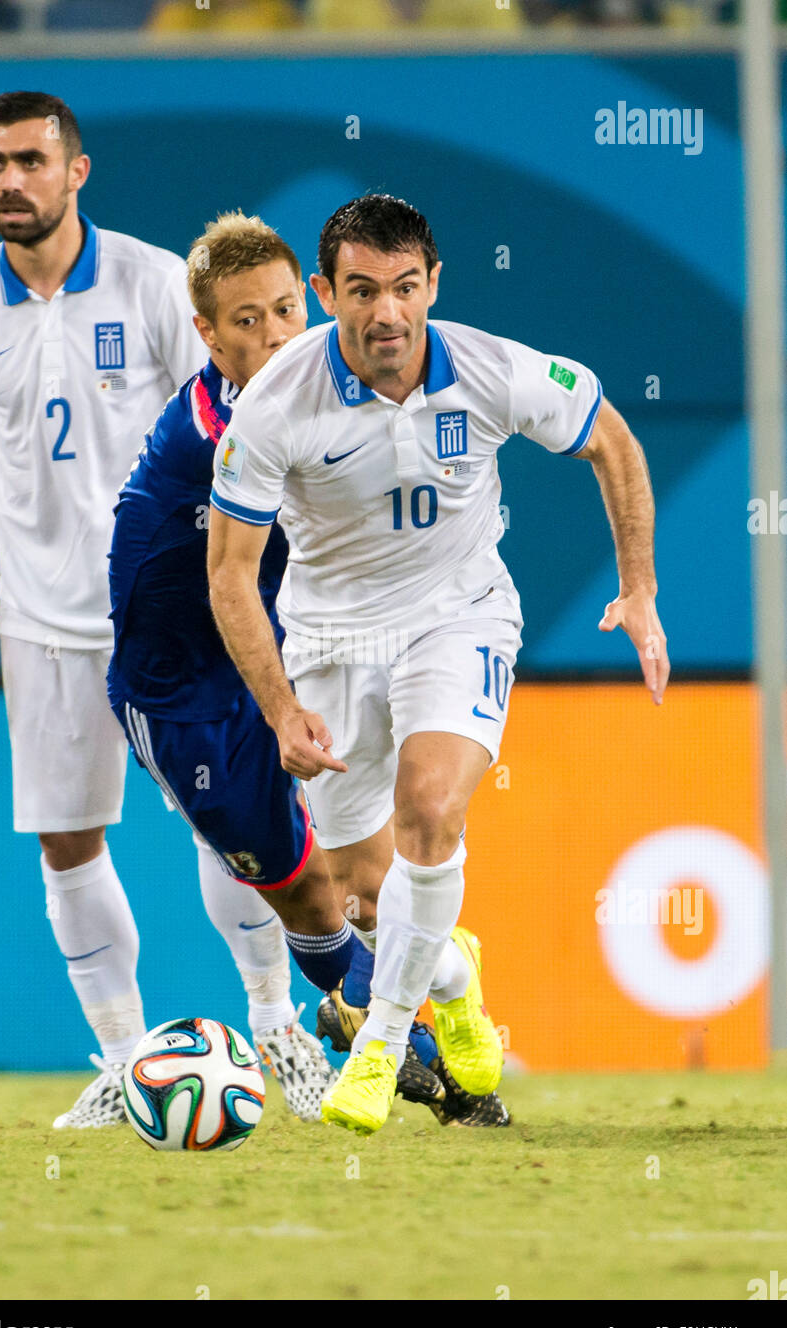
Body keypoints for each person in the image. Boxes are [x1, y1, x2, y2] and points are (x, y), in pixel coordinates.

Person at [207, 193, 670, 1135]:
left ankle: (377, 1048)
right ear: (324, 291)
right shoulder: (272, 405)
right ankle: (452, 982)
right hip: (331, 644)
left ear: (434, 283)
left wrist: (641, 589)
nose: (387, 313)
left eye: (406, 287)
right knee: (361, 898)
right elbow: (228, 573)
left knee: (431, 806)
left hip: (455, 618)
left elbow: (610, 439)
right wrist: (281, 708)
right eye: (363, 291)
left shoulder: (492, 369)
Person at [108, 211, 510, 1129]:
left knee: (375, 877)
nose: (277, 336)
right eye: (246, 321)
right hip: (189, 691)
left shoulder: (327, 398)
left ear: (311, 301)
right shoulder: (222, 430)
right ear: (205, 334)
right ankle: (386, 1012)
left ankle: (421, 1055)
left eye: (287, 310)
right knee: (303, 894)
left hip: (294, 658)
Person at [0, 90, 248, 1130]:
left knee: (227, 820)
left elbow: (231, 441)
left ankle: (280, 1029)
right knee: (66, 839)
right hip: (40, 617)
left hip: (172, 609)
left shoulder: (157, 286)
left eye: (29, 159)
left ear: (77, 171)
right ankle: (125, 1062)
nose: (9, 180)